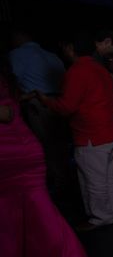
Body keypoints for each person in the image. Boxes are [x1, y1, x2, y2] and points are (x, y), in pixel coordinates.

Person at [0, 57, 94, 257]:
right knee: (21, 222)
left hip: (13, 155)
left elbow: (6, 112)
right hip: (18, 152)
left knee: (29, 220)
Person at [38, 34, 113, 231]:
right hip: (112, 130)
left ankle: (100, 218)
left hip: (92, 134)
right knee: (110, 176)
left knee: (94, 179)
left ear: (70, 48)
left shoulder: (77, 71)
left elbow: (66, 107)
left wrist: (46, 101)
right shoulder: (100, 68)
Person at [8, 28, 70, 197]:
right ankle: (65, 180)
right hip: (59, 100)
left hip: (39, 102)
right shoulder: (52, 55)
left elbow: (13, 80)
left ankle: (58, 183)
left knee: (47, 144)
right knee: (61, 143)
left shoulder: (18, 55)